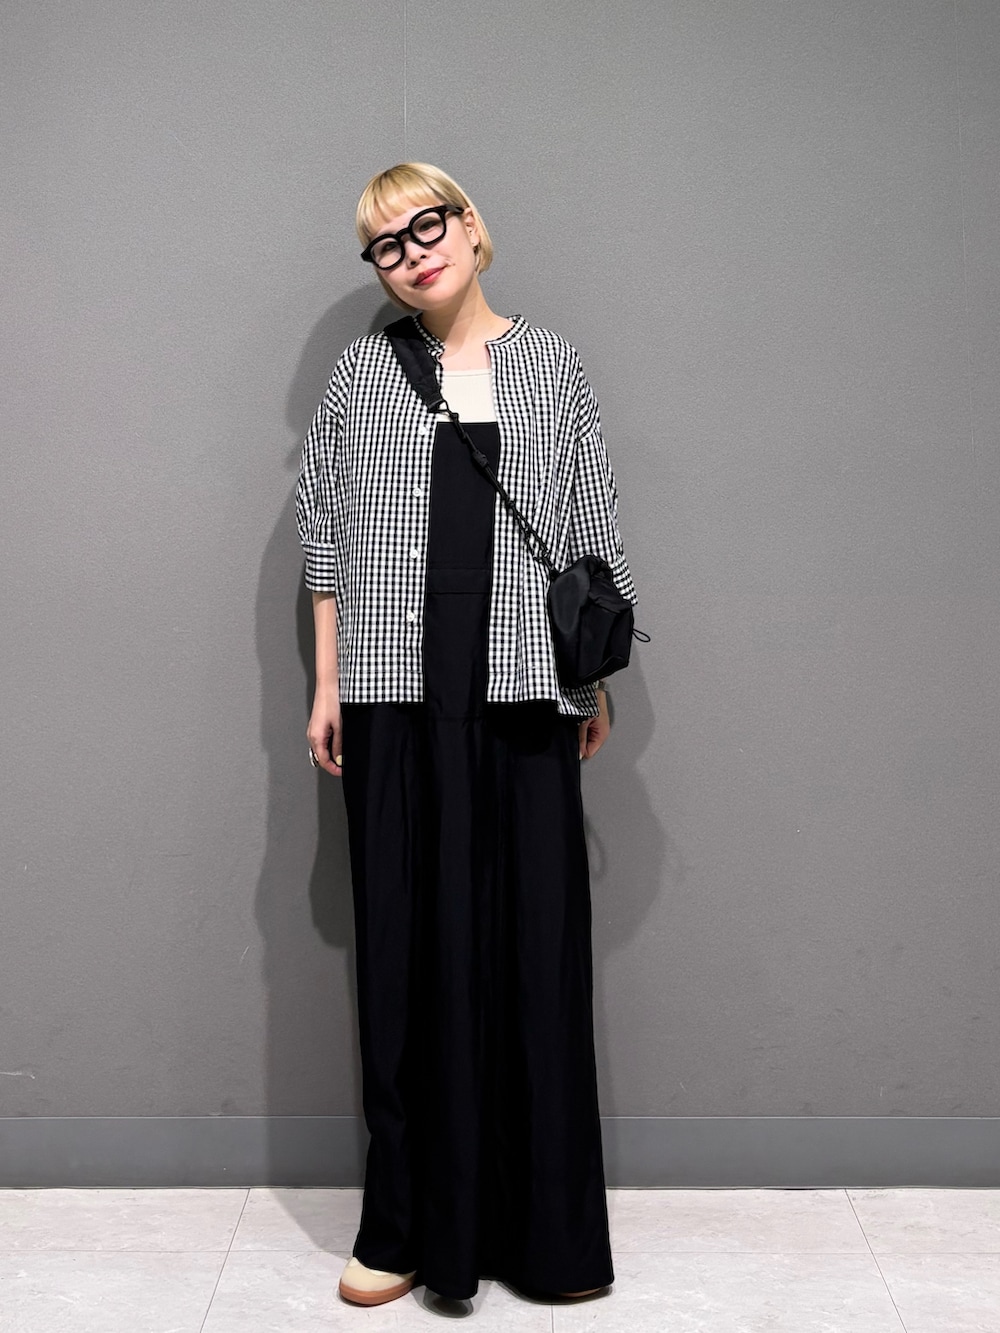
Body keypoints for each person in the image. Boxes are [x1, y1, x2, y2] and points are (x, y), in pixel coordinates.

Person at [295, 162, 639, 1308]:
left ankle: (544, 1232)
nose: (412, 253)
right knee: (402, 953)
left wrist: (593, 687)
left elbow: (591, 526)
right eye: (385, 245)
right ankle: (402, 1228)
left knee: (533, 952)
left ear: (471, 225)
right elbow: (324, 526)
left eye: (425, 225)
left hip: (524, 687)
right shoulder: (361, 372)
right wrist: (328, 683)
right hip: (394, 692)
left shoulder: (552, 366)